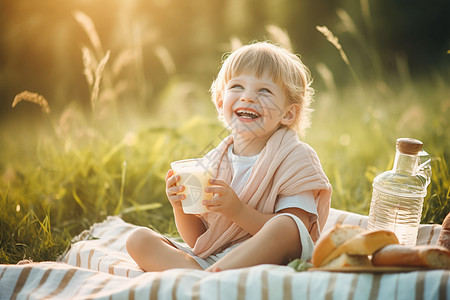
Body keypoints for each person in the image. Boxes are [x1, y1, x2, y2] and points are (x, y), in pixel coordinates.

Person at [126, 41, 332, 272]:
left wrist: (238, 212)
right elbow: (200, 241)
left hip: (270, 258)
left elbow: (295, 234)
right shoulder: (213, 162)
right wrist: (180, 208)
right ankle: (205, 279)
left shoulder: (294, 157)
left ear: (287, 113)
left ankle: (204, 281)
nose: (247, 97)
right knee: (138, 239)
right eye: (237, 87)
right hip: (218, 261)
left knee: (285, 225)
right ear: (221, 102)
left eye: (264, 90)